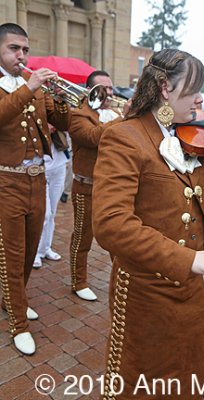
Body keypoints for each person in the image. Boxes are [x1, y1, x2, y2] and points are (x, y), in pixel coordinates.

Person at [92, 49, 204, 399]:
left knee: (189, 372)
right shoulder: (125, 136)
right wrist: (189, 259)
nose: (200, 97)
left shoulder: (188, 136)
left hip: (191, 289)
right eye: (193, 88)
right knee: (143, 379)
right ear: (166, 88)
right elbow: (111, 223)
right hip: (146, 289)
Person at [0, 23, 71, 355]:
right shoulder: (20, 87)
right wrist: (30, 87)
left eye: (25, 50)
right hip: (6, 182)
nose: (22, 55)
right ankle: (18, 322)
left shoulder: (35, 88)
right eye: (15, 48)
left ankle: (13, 299)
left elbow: (65, 124)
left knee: (31, 251)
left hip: (37, 179)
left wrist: (61, 99)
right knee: (12, 256)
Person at [69, 70, 120, 301]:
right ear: (90, 90)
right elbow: (92, 137)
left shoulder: (116, 112)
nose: (109, 93)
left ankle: (120, 281)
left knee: (118, 238)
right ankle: (78, 281)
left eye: (110, 88)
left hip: (111, 188)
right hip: (86, 187)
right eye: (103, 88)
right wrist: (124, 119)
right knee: (82, 237)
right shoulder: (79, 114)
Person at [33, 125, 69, 268]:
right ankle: (35, 252)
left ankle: (45, 248)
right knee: (44, 214)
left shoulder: (58, 108)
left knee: (52, 213)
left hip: (59, 166)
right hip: (41, 168)